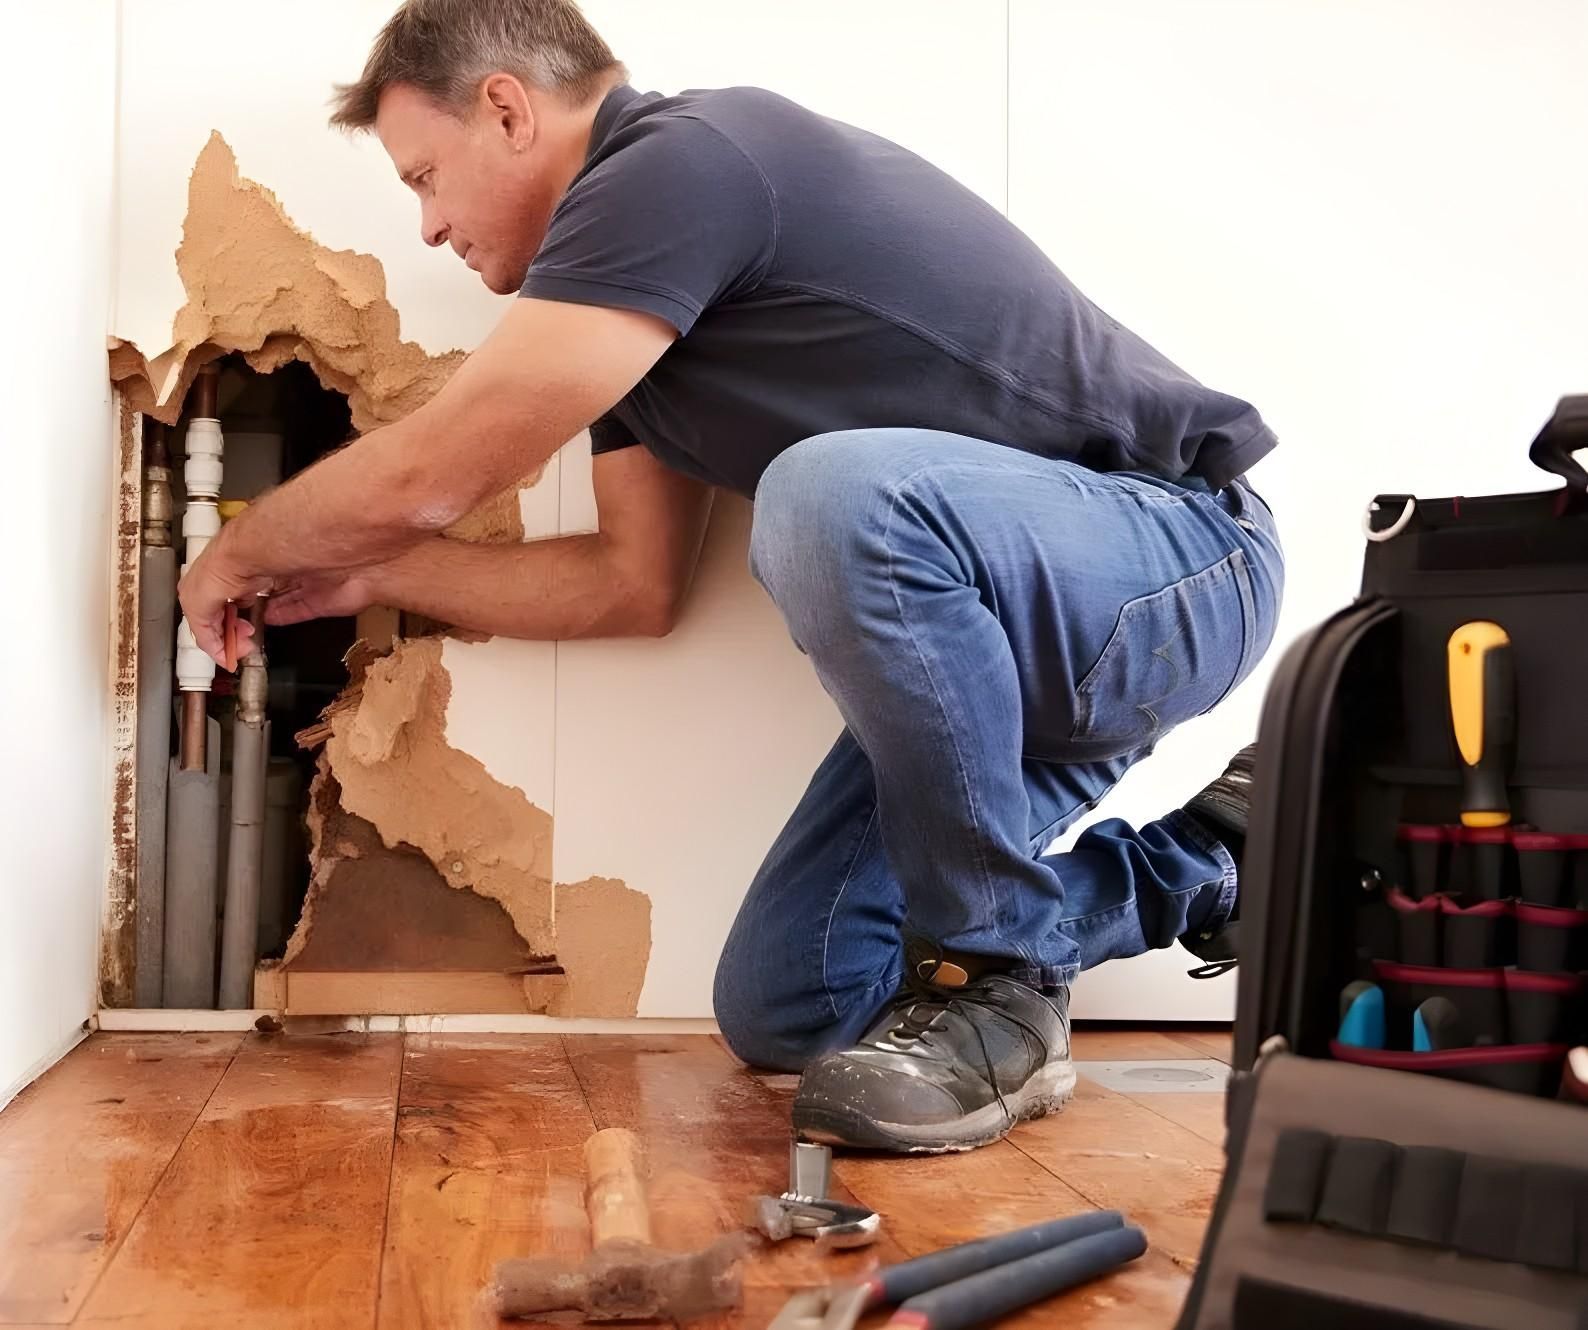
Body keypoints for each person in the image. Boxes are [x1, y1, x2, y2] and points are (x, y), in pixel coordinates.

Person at [178, 0, 1284, 1155]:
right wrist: (377, 577)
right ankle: (1206, 862)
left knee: (831, 494)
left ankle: (995, 984)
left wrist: (247, 549)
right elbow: (627, 583)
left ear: (506, 109)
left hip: (1173, 560)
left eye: (425, 177)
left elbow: (441, 469)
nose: (427, 228)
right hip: (994, 655)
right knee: (793, 998)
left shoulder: (681, 163)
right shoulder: (630, 335)